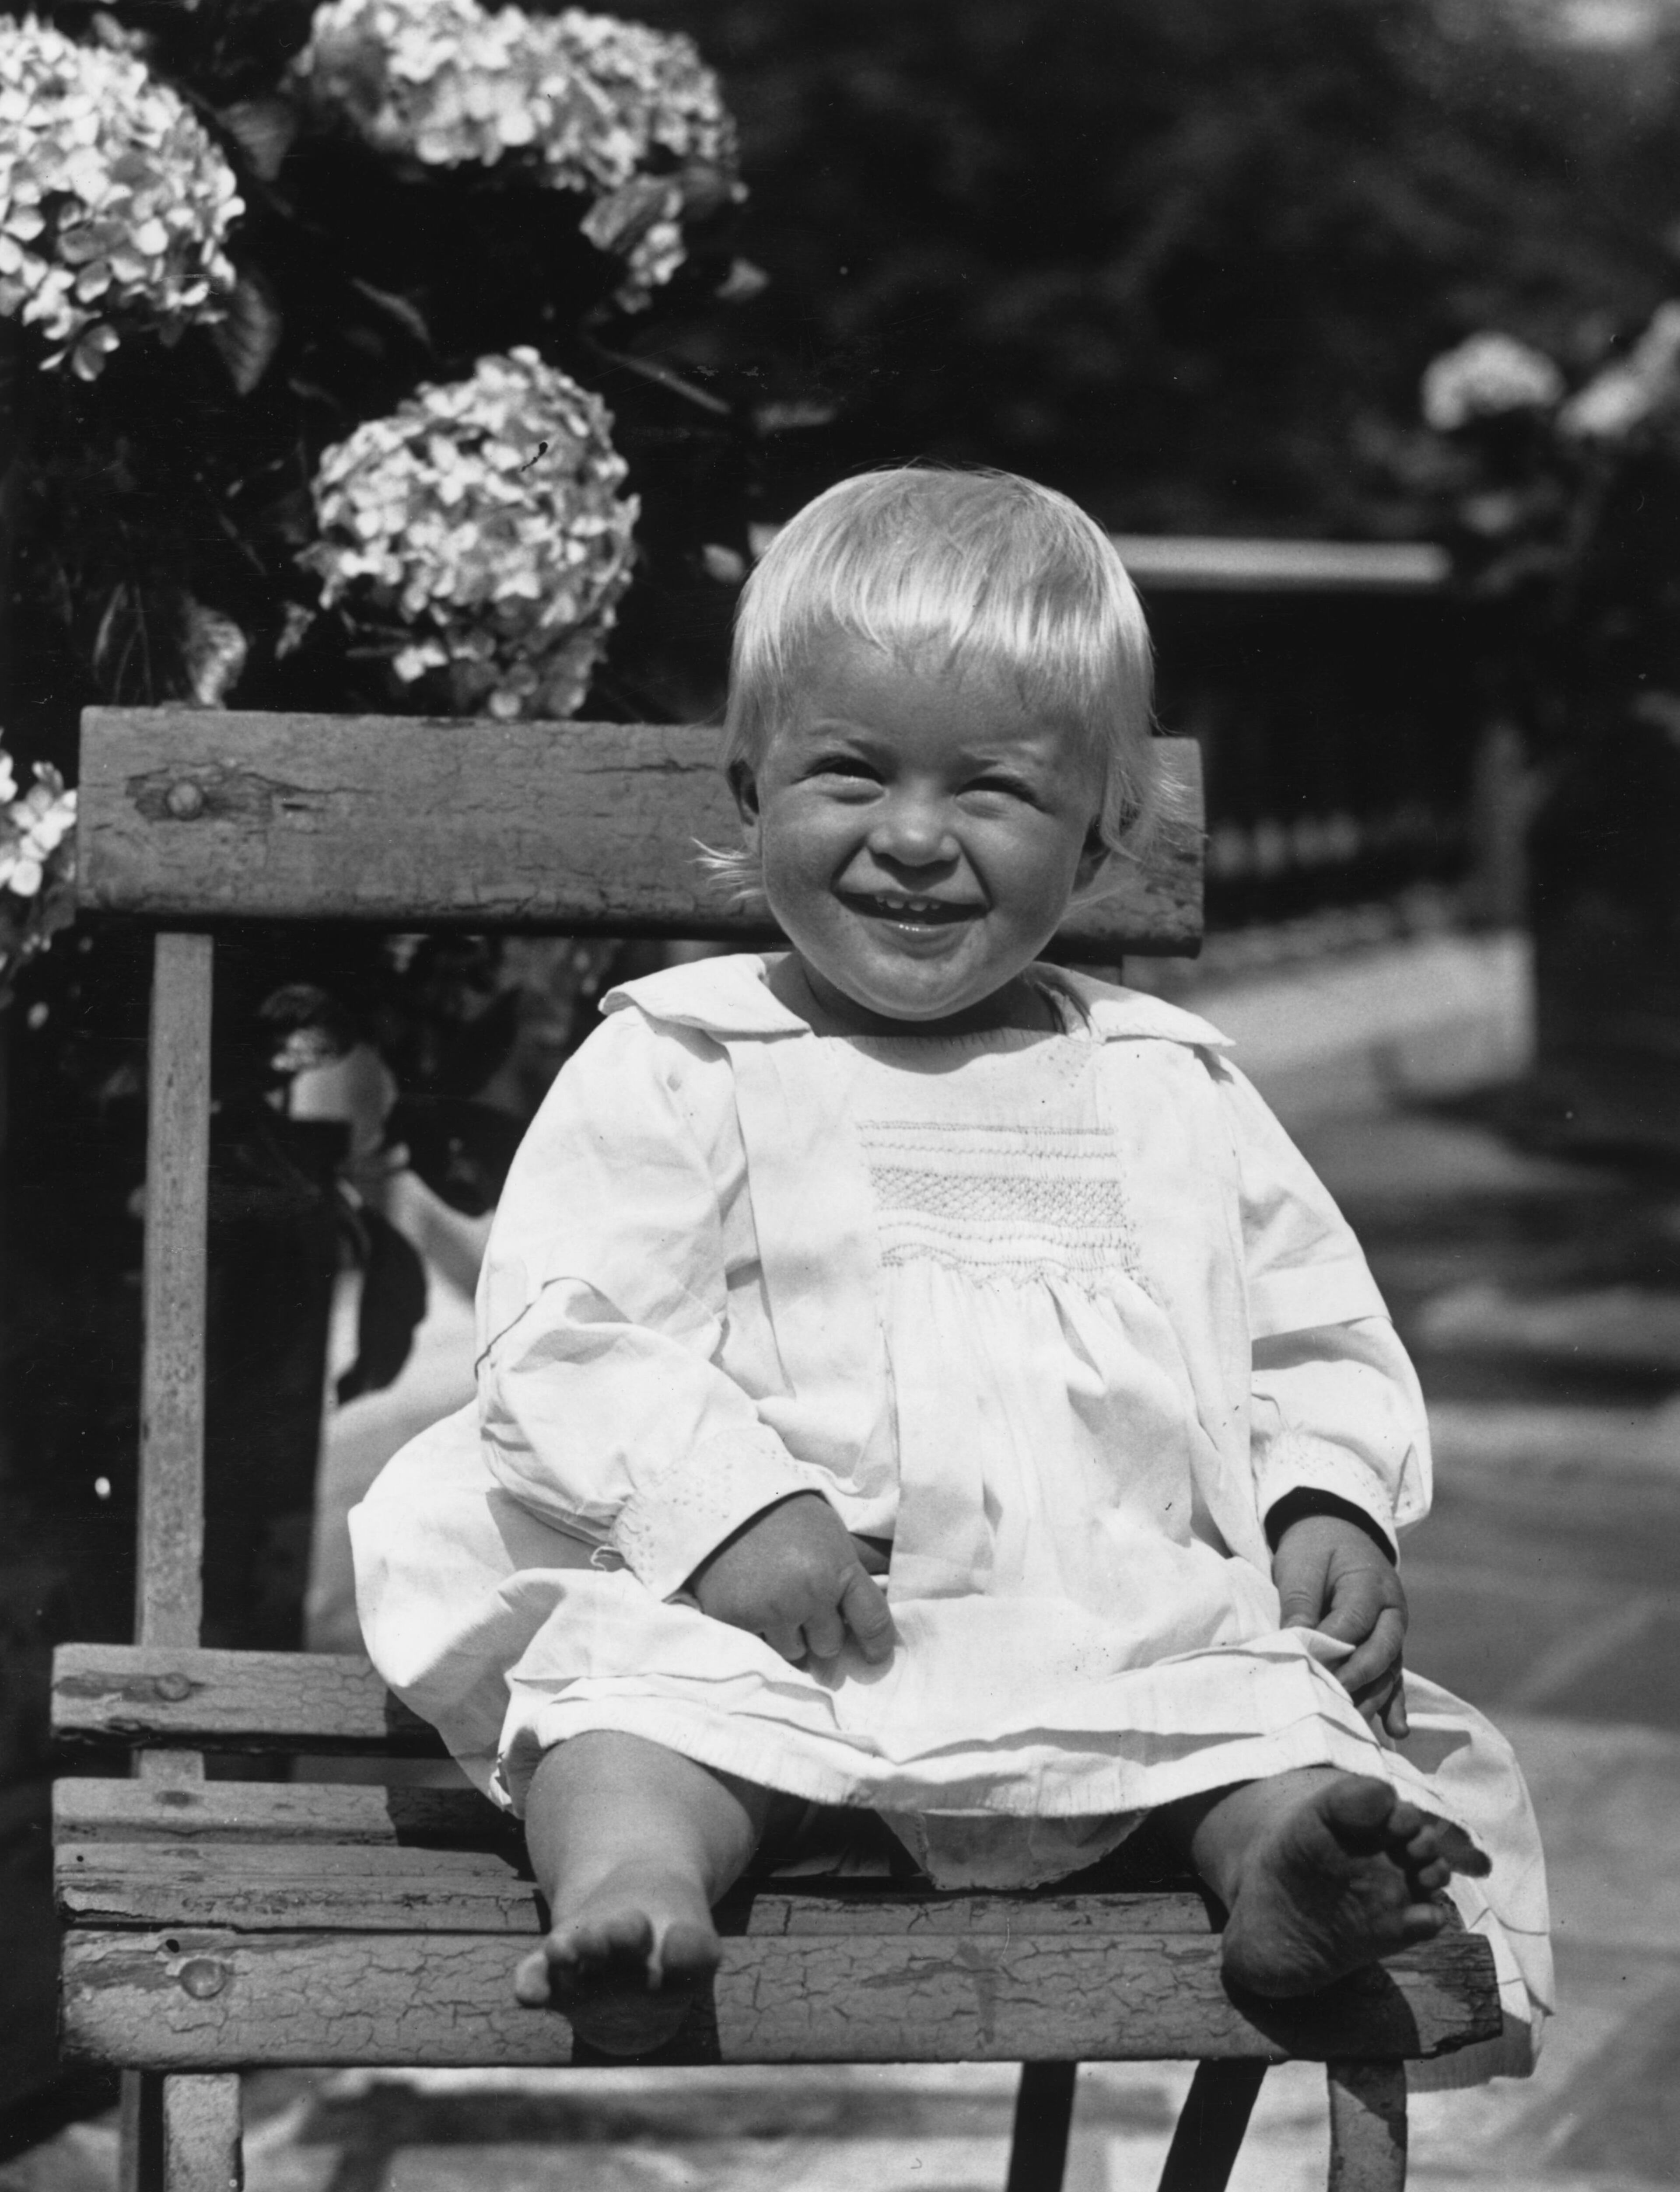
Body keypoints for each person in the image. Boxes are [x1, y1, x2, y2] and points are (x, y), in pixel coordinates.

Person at [351, 467, 1550, 2075]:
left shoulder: (1166, 1081)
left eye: (991, 791)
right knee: (626, 1705)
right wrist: (722, 1506)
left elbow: (1310, 1328)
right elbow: (569, 1331)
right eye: (850, 772)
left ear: (1104, 825)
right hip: (778, 1635)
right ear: (752, 777)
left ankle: (1280, 1864)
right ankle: (635, 1883)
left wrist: (1320, 1495)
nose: (912, 839)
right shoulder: (689, 1059)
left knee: (1260, 1717)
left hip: (1109, 1628)